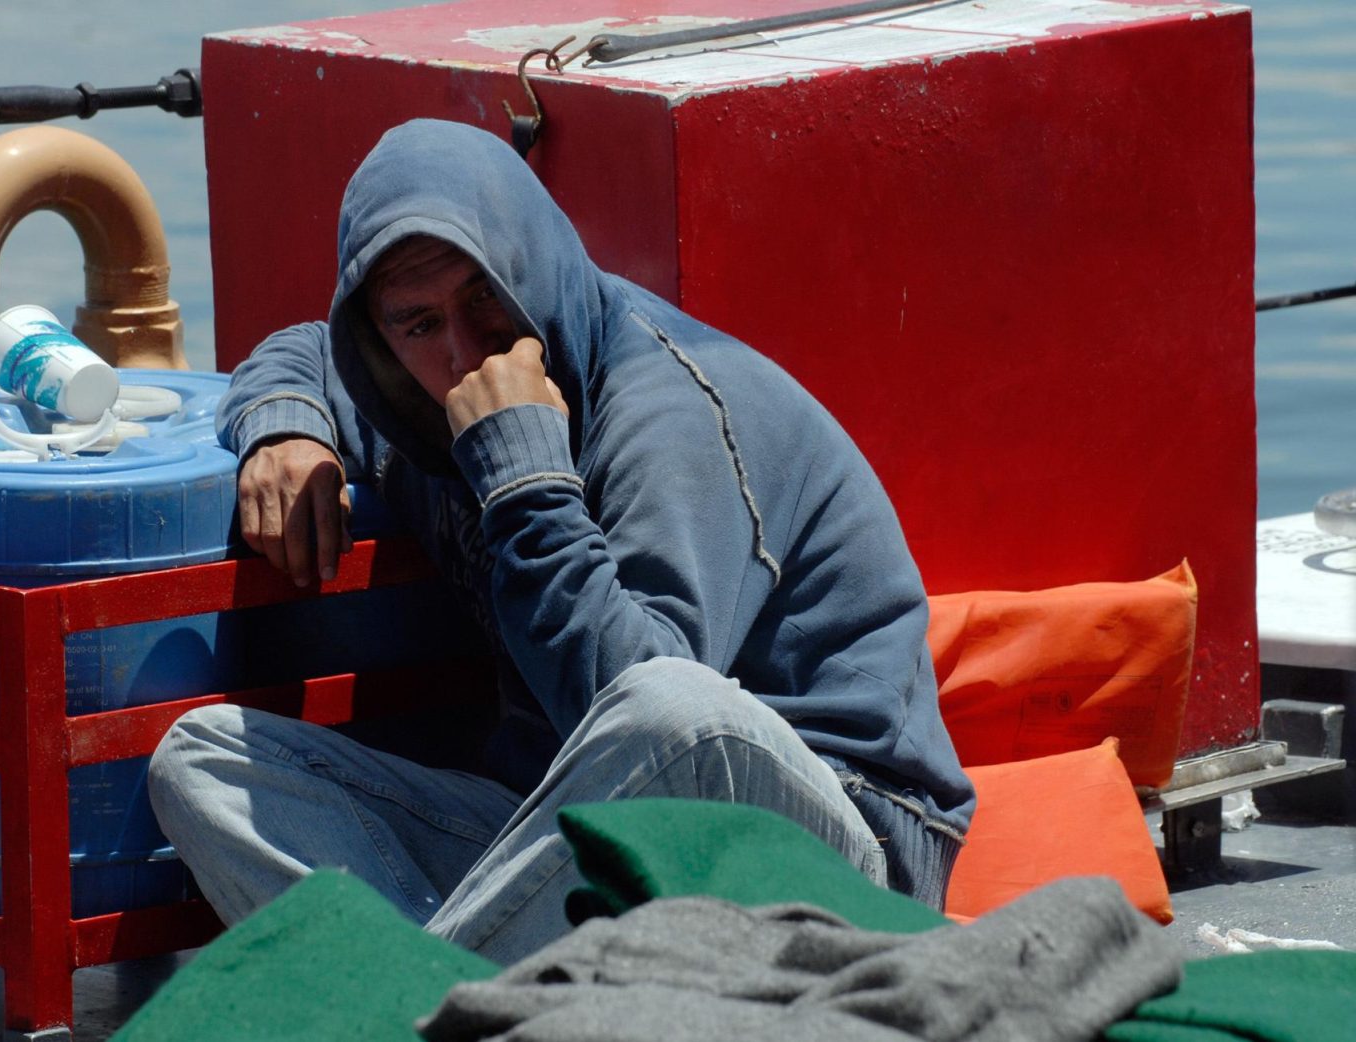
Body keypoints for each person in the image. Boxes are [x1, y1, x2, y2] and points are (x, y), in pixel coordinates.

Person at [147, 118, 975, 964]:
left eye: (485, 298)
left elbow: (636, 714)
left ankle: (423, 1010)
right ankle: (461, 990)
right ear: (384, 339)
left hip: (840, 849)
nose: (469, 356)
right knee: (204, 762)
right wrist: (286, 427)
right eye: (420, 325)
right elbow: (309, 352)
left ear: (534, 261)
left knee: (673, 709)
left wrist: (525, 481)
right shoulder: (413, 393)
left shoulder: (672, 416)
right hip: (568, 829)